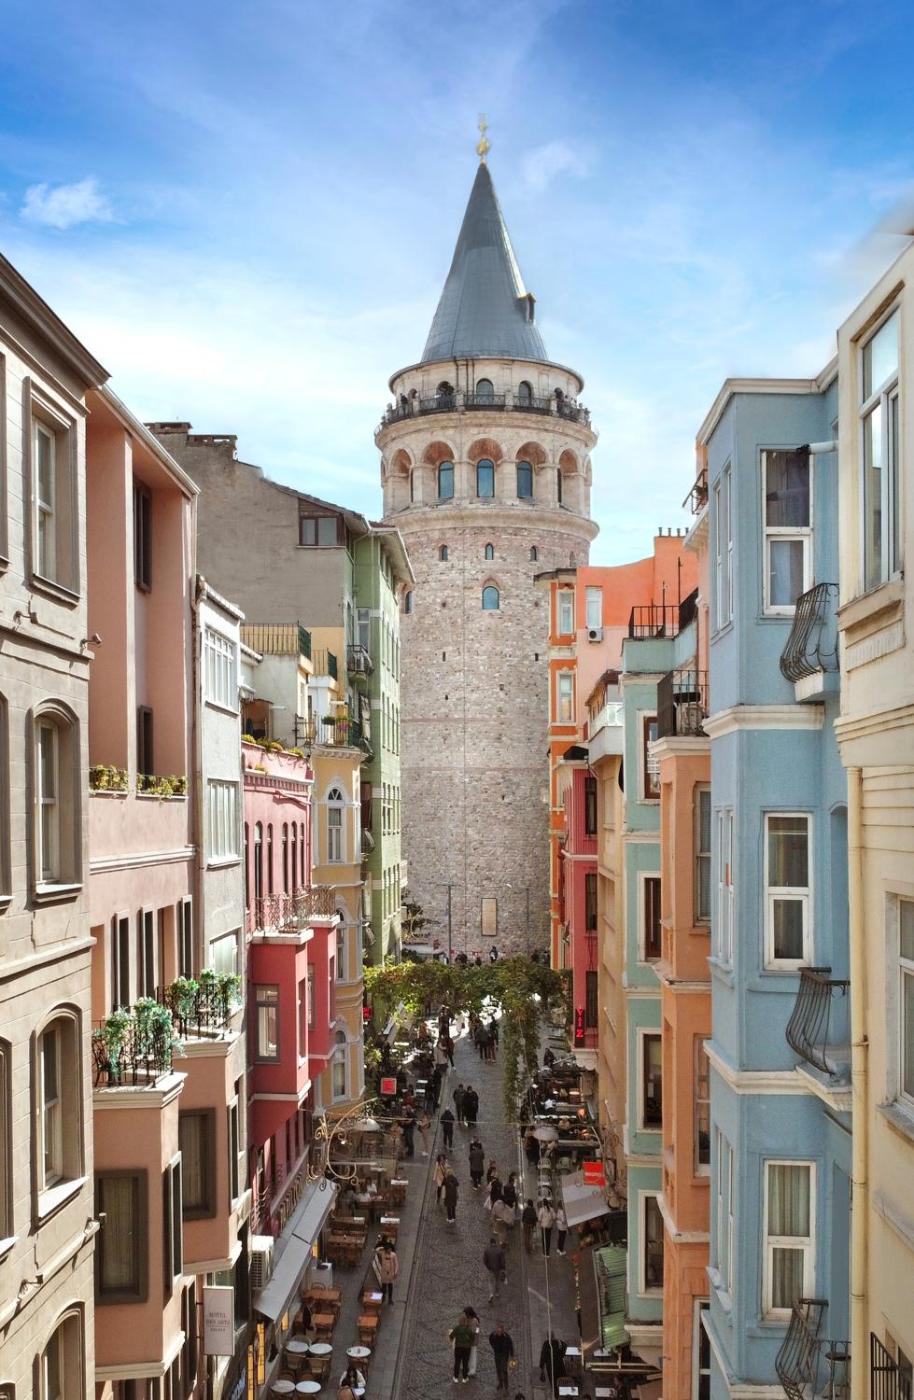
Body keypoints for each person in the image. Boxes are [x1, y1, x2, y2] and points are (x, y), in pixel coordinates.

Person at [489, 1322, 515, 1393]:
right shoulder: (493, 1335)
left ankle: (506, 1385)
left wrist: (512, 1355)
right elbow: (490, 1339)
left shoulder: (507, 1337)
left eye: (500, 1331)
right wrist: (493, 1347)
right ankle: (500, 1383)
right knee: (498, 1369)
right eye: (498, 1331)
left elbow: (510, 1345)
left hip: (504, 1355)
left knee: (504, 1370)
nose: (499, 1332)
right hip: (497, 1354)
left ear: (502, 1330)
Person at [450, 1314, 475, 1383]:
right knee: (465, 1363)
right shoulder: (468, 1329)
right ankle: (465, 1378)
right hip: (466, 1348)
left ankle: (456, 1377)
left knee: (457, 1362)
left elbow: (451, 1336)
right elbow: (472, 1338)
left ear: (460, 1321)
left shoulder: (457, 1328)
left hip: (458, 1348)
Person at [483, 1236, 506, 1302]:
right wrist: (503, 1269)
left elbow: (484, 1261)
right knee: (497, 1281)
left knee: (490, 1282)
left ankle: (491, 1294)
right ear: (495, 1243)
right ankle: (497, 1293)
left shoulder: (487, 1250)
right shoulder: (500, 1250)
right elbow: (502, 1261)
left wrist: (488, 1267)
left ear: (490, 1243)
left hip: (491, 1269)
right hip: (498, 1269)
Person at [463, 1306, 481, 1377]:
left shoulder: (474, 1321)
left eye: (466, 1313)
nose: (465, 1315)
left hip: (472, 1341)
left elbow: (474, 1331)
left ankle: (472, 1370)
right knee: (468, 1354)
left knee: (472, 1355)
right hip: (469, 1340)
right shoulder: (470, 1319)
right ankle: (468, 1367)